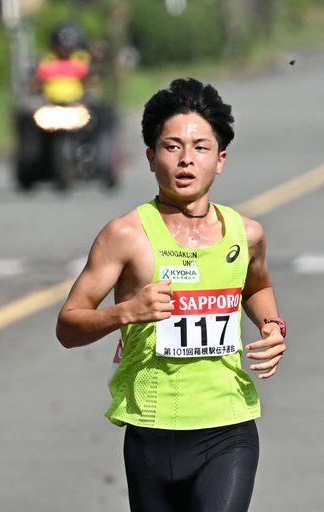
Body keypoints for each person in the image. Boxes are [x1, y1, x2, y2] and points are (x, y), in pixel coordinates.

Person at [56, 78, 287, 512]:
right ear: (150, 157)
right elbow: (68, 326)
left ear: (220, 161)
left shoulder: (247, 234)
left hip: (228, 427)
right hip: (150, 431)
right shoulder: (125, 236)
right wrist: (124, 313)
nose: (185, 160)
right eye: (172, 147)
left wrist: (272, 325)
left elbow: (257, 285)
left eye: (200, 148)